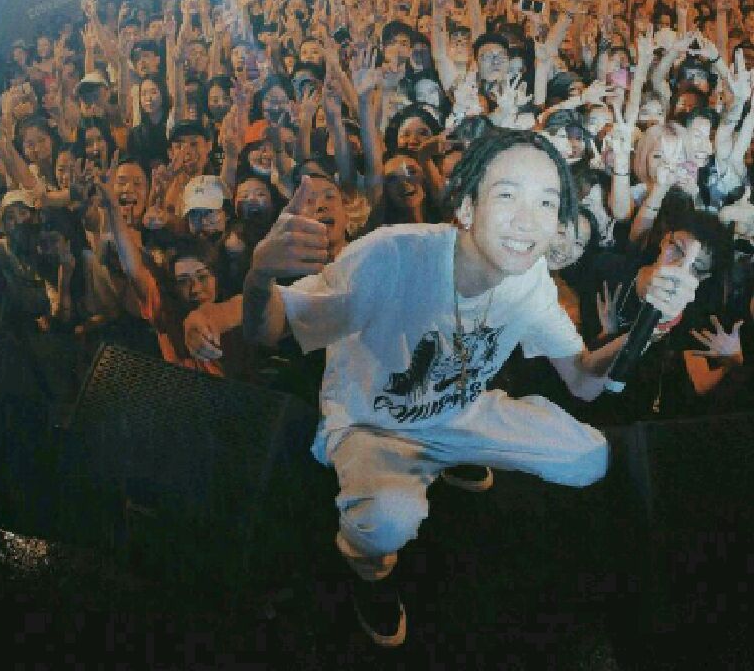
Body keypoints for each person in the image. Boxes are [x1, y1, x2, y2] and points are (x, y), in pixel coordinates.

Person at [243, 130, 700, 648]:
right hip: (375, 423)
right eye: (507, 195)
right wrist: (260, 275)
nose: (528, 221)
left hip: (459, 412)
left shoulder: (531, 280)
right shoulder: (391, 255)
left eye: (546, 203)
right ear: (466, 206)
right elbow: (269, 329)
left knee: (590, 459)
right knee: (387, 520)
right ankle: (369, 573)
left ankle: (449, 457)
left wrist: (649, 326)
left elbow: (582, 379)